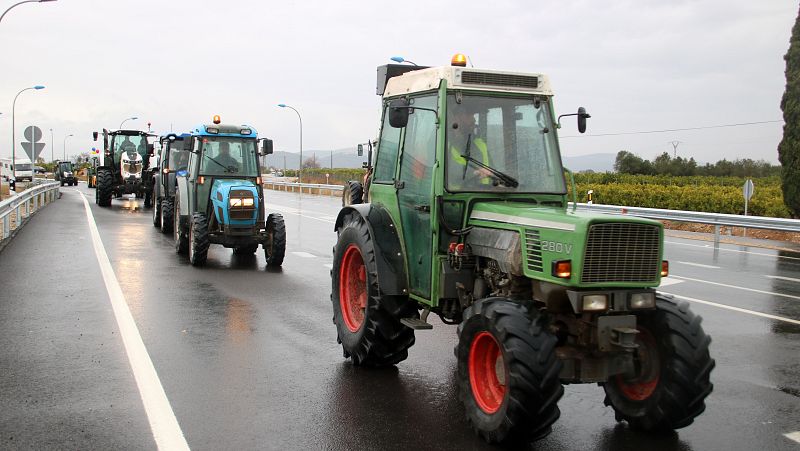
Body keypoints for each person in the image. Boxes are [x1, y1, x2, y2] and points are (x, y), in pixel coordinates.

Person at [447, 107, 493, 189]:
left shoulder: (480, 144)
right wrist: (474, 173)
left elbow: (492, 171)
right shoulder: (442, 143)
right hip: (456, 198)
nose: (474, 119)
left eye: (473, 115)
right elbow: (449, 174)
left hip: (485, 196)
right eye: (469, 115)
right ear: (456, 118)